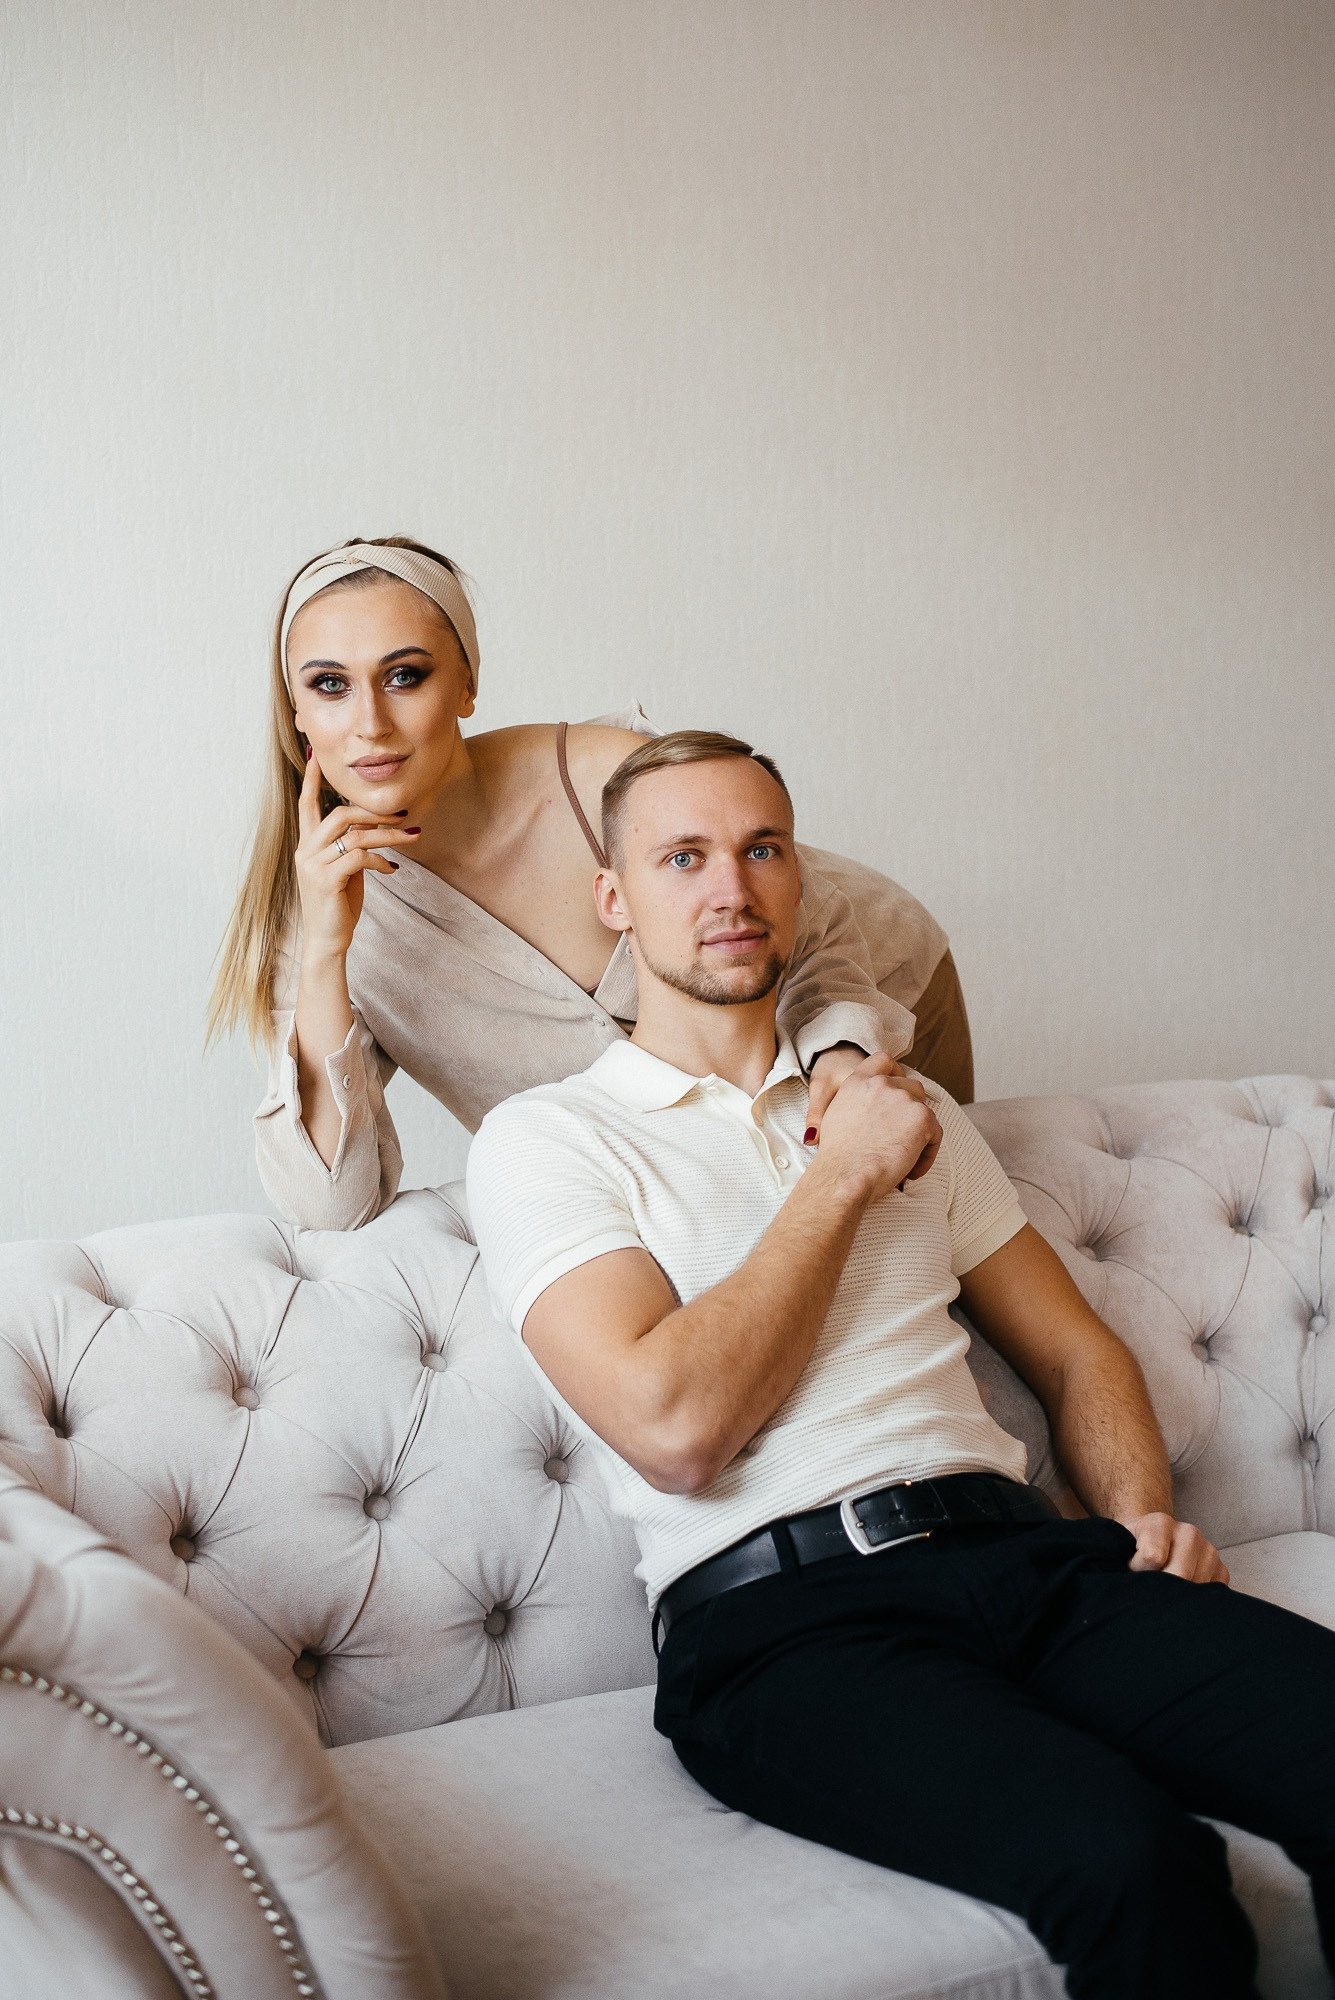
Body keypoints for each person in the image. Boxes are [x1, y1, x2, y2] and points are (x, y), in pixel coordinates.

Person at [464, 728, 1335, 2000]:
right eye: (683, 856)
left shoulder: (901, 1104)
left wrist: (1140, 1513)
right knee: (1136, 1865)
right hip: (787, 1627)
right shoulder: (552, 1138)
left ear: (797, 879)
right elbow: (675, 1426)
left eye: (763, 849)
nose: (730, 887)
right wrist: (846, 1174)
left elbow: (1075, 1348)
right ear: (615, 896)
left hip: (1029, 1558)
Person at [208, 535, 972, 1231]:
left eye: (405, 676)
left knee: (933, 1240)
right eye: (330, 685)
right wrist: (325, 953)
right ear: (298, 713)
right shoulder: (319, 918)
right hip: (682, 1156)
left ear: (466, 685)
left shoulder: (603, 777)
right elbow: (332, 1205)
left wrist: (840, 1051)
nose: (370, 722)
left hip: (879, 992)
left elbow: (805, 926)